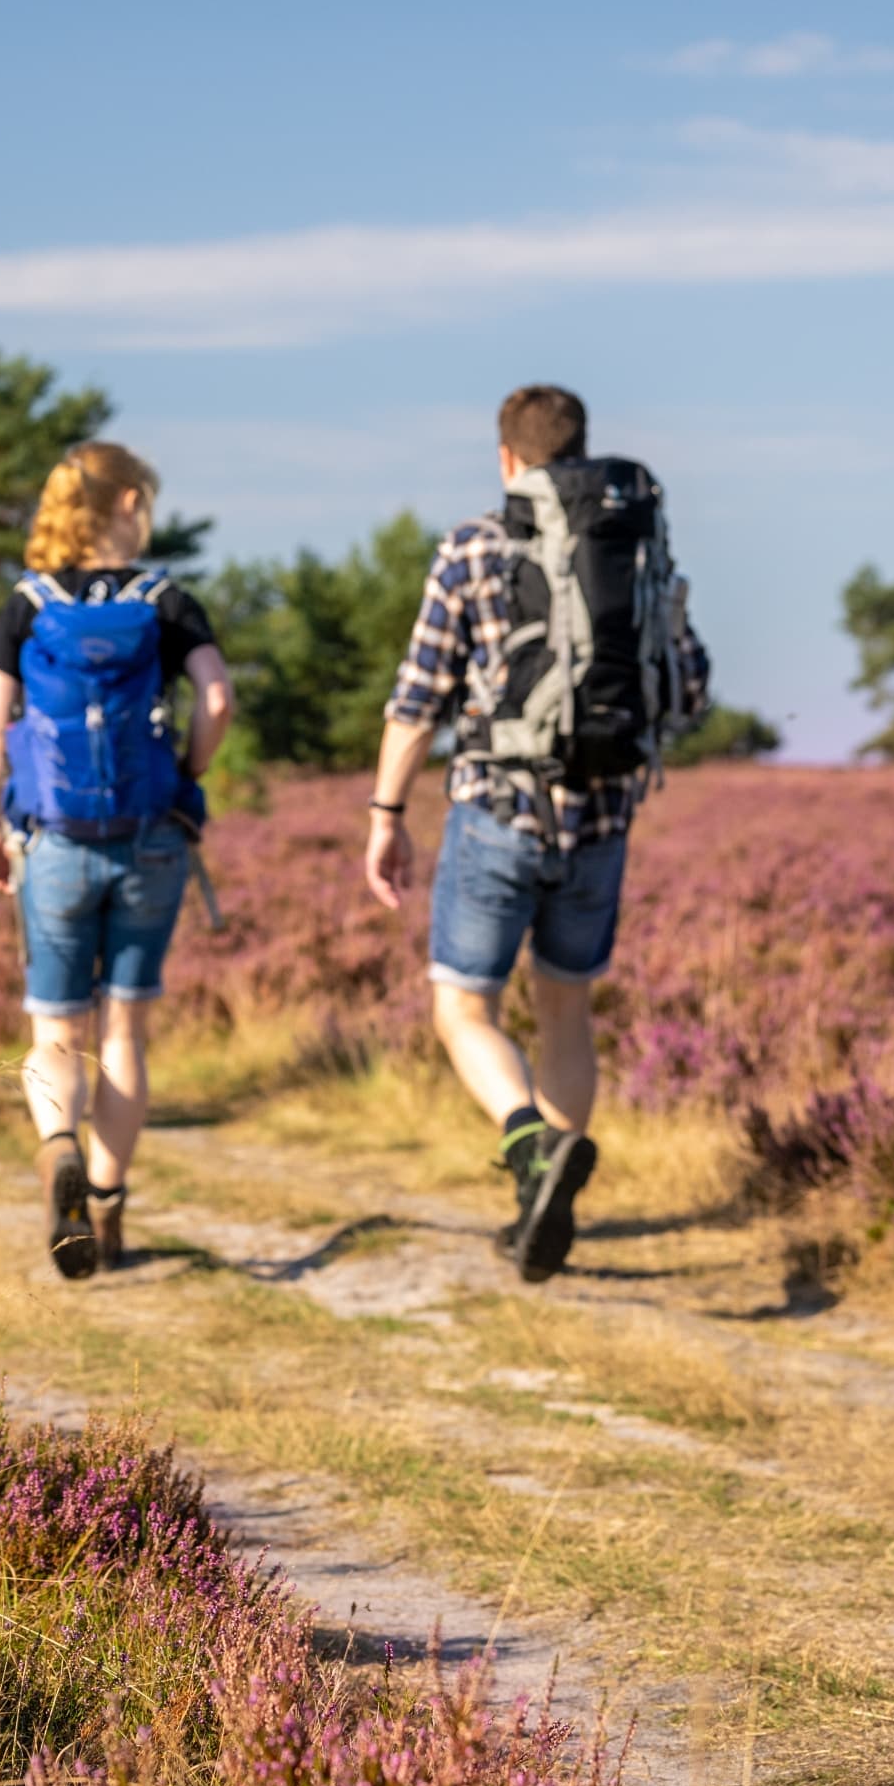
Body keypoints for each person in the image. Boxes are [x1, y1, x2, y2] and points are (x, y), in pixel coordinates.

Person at [363, 386, 709, 1285]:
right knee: (566, 1009)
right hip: (603, 812)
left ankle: (527, 1148)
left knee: (462, 1005)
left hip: (498, 811)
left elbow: (417, 699)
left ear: (508, 459)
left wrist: (387, 815)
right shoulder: (637, 548)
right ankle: (544, 1198)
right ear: (583, 451)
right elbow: (691, 689)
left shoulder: (474, 545)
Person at [0, 443, 233, 1279]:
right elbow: (217, 699)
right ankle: (110, 1207)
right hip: (148, 836)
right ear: (128, 501)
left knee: (57, 1028)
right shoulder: (167, 601)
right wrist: (188, 774)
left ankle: (59, 1148)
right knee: (123, 1029)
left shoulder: (27, 602)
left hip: (52, 839)